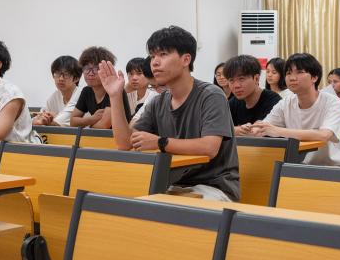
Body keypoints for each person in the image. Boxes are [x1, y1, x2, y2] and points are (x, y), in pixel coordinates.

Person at [99, 26, 241, 201]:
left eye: (163, 54)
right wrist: (115, 96)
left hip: (214, 187)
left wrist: (160, 142)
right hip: (172, 185)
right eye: (153, 56)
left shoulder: (211, 95)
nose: (154, 62)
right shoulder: (158, 102)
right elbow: (124, 143)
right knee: (123, 203)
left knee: (160, 209)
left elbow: (209, 148)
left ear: (186, 59)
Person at [249, 53, 340, 168]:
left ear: (314, 77)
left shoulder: (333, 102)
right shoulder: (285, 103)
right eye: (288, 73)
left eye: (299, 72)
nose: (292, 78)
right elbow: (262, 128)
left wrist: (277, 131)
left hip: (336, 168)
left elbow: (324, 135)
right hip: (301, 167)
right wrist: (250, 129)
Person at [70, 46, 131, 129]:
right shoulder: (87, 91)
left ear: (107, 69)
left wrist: (87, 125)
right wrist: (92, 119)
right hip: (96, 136)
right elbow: (73, 122)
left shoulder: (115, 91)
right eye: (86, 68)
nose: (90, 73)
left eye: (96, 69)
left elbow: (104, 125)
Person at [225, 54, 281, 133]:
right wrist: (237, 130)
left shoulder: (273, 101)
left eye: (241, 79)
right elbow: (219, 128)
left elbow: (259, 131)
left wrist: (234, 130)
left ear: (256, 78)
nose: (236, 86)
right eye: (231, 80)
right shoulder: (234, 102)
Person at [32, 55, 83, 127]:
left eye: (66, 74)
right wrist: (40, 119)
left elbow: (60, 121)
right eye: (57, 74)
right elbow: (38, 119)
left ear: (76, 78)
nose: (61, 79)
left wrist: (53, 118)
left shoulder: (81, 94)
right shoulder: (55, 96)